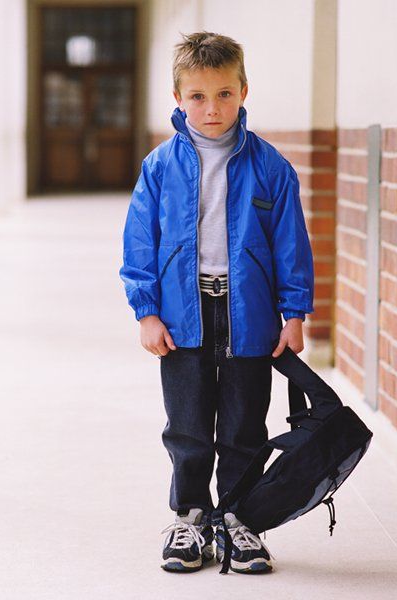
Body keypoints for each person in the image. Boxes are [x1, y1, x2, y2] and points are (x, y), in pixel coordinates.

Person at [118, 31, 314, 575]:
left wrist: (294, 312)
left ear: (244, 91)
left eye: (224, 94)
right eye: (198, 96)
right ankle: (191, 516)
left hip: (248, 312)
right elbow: (140, 243)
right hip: (183, 315)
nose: (212, 107)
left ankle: (239, 520)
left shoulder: (270, 166)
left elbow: (290, 243)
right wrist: (146, 310)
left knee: (245, 424)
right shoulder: (159, 167)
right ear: (177, 99)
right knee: (186, 422)